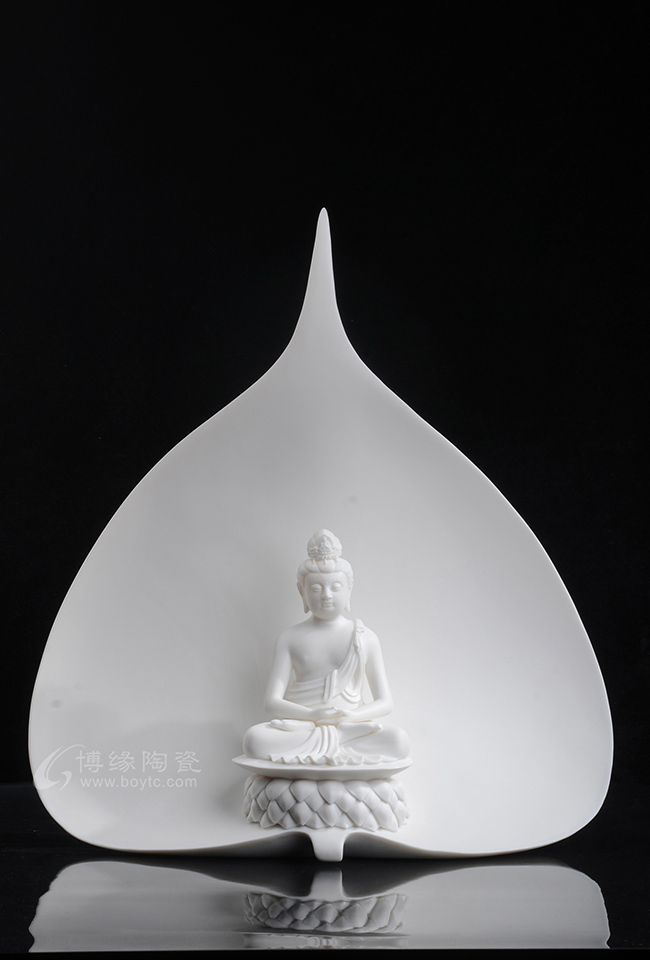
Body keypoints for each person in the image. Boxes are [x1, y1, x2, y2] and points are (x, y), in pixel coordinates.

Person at [242, 530, 410, 766]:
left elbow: (385, 702)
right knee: (254, 739)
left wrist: (353, 716)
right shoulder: (290, 638)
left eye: (336, 587)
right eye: (315, 589)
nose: (326, 596)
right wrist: (311, 715)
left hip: (349, 730)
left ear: (349, 588)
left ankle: (323, 752)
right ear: (302, 591)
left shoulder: (366, 638)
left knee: (398, 741)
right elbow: (271, 702)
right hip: (303, 728)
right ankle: (331, 753)